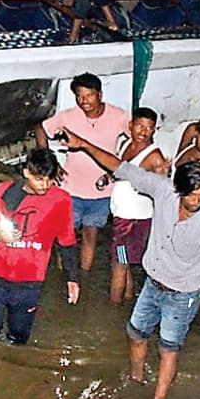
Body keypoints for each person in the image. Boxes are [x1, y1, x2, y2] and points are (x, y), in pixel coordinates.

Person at [61, 128, 200, 399]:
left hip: (184, 294)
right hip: (152, 285)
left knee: (168, 348)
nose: (198, 201)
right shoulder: (163, 190)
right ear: (178, 190)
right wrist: (81, 144)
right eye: (193, 195)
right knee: (135, 334)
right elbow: (120, 167)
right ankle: (136, 380)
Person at [0, 147, 80, 345]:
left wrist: (72, 278)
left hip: (29, 281)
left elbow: (67, 241)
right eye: (39, 179)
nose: (45, 185)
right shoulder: (4, 191)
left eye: (49, 179)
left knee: (19, 337)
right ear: (26, 172)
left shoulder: (61, 200)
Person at [34, 72, 129, 273]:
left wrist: (118, 170)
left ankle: (84, 276)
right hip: (71, 189)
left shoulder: (119, 116)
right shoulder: (69, 116)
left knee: (90, 234)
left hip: (102, 192)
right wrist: (49, 159)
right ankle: (64, 275)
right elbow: (41, 129)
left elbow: (136, 141)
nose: (84, 101)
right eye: (79, 96)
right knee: (65, 236)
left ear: (100, 95)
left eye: (89, 95)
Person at [107, 107, 170, 304]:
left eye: (149, 128)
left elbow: (163, 191)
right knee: (123, 261)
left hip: (134, 220)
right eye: (140, 126)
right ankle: (127, 295)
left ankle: (113, 309)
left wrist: (165, 173)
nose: (143, 132)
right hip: (122, 215)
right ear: (130, 126)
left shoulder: (155, 156)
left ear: (154, 131)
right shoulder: (125, 145)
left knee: (119, 264)